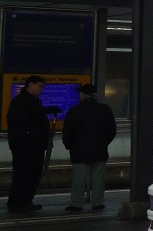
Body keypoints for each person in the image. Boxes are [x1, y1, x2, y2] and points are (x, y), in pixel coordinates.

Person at [61, 83, 117, 212]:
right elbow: (112, 130)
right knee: (98, 178)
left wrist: (69, 145)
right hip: (99, 150)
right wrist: (104, 143)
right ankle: (97, 203)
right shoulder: (105, 110)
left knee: (78, 179)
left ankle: (76, 204)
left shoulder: (75, 111)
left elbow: (68, 131)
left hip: (78, 151)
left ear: (83, 95)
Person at [5, 75, 52, 214]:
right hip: (25, 146)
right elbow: (22, 123)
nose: (41, 89)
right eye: (39, 86)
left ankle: (26, 201)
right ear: (30, 85)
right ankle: (17, 203)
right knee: (23, 174)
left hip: (35, 145)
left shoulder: (35, 101)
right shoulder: (21, 102)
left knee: (33, 174)